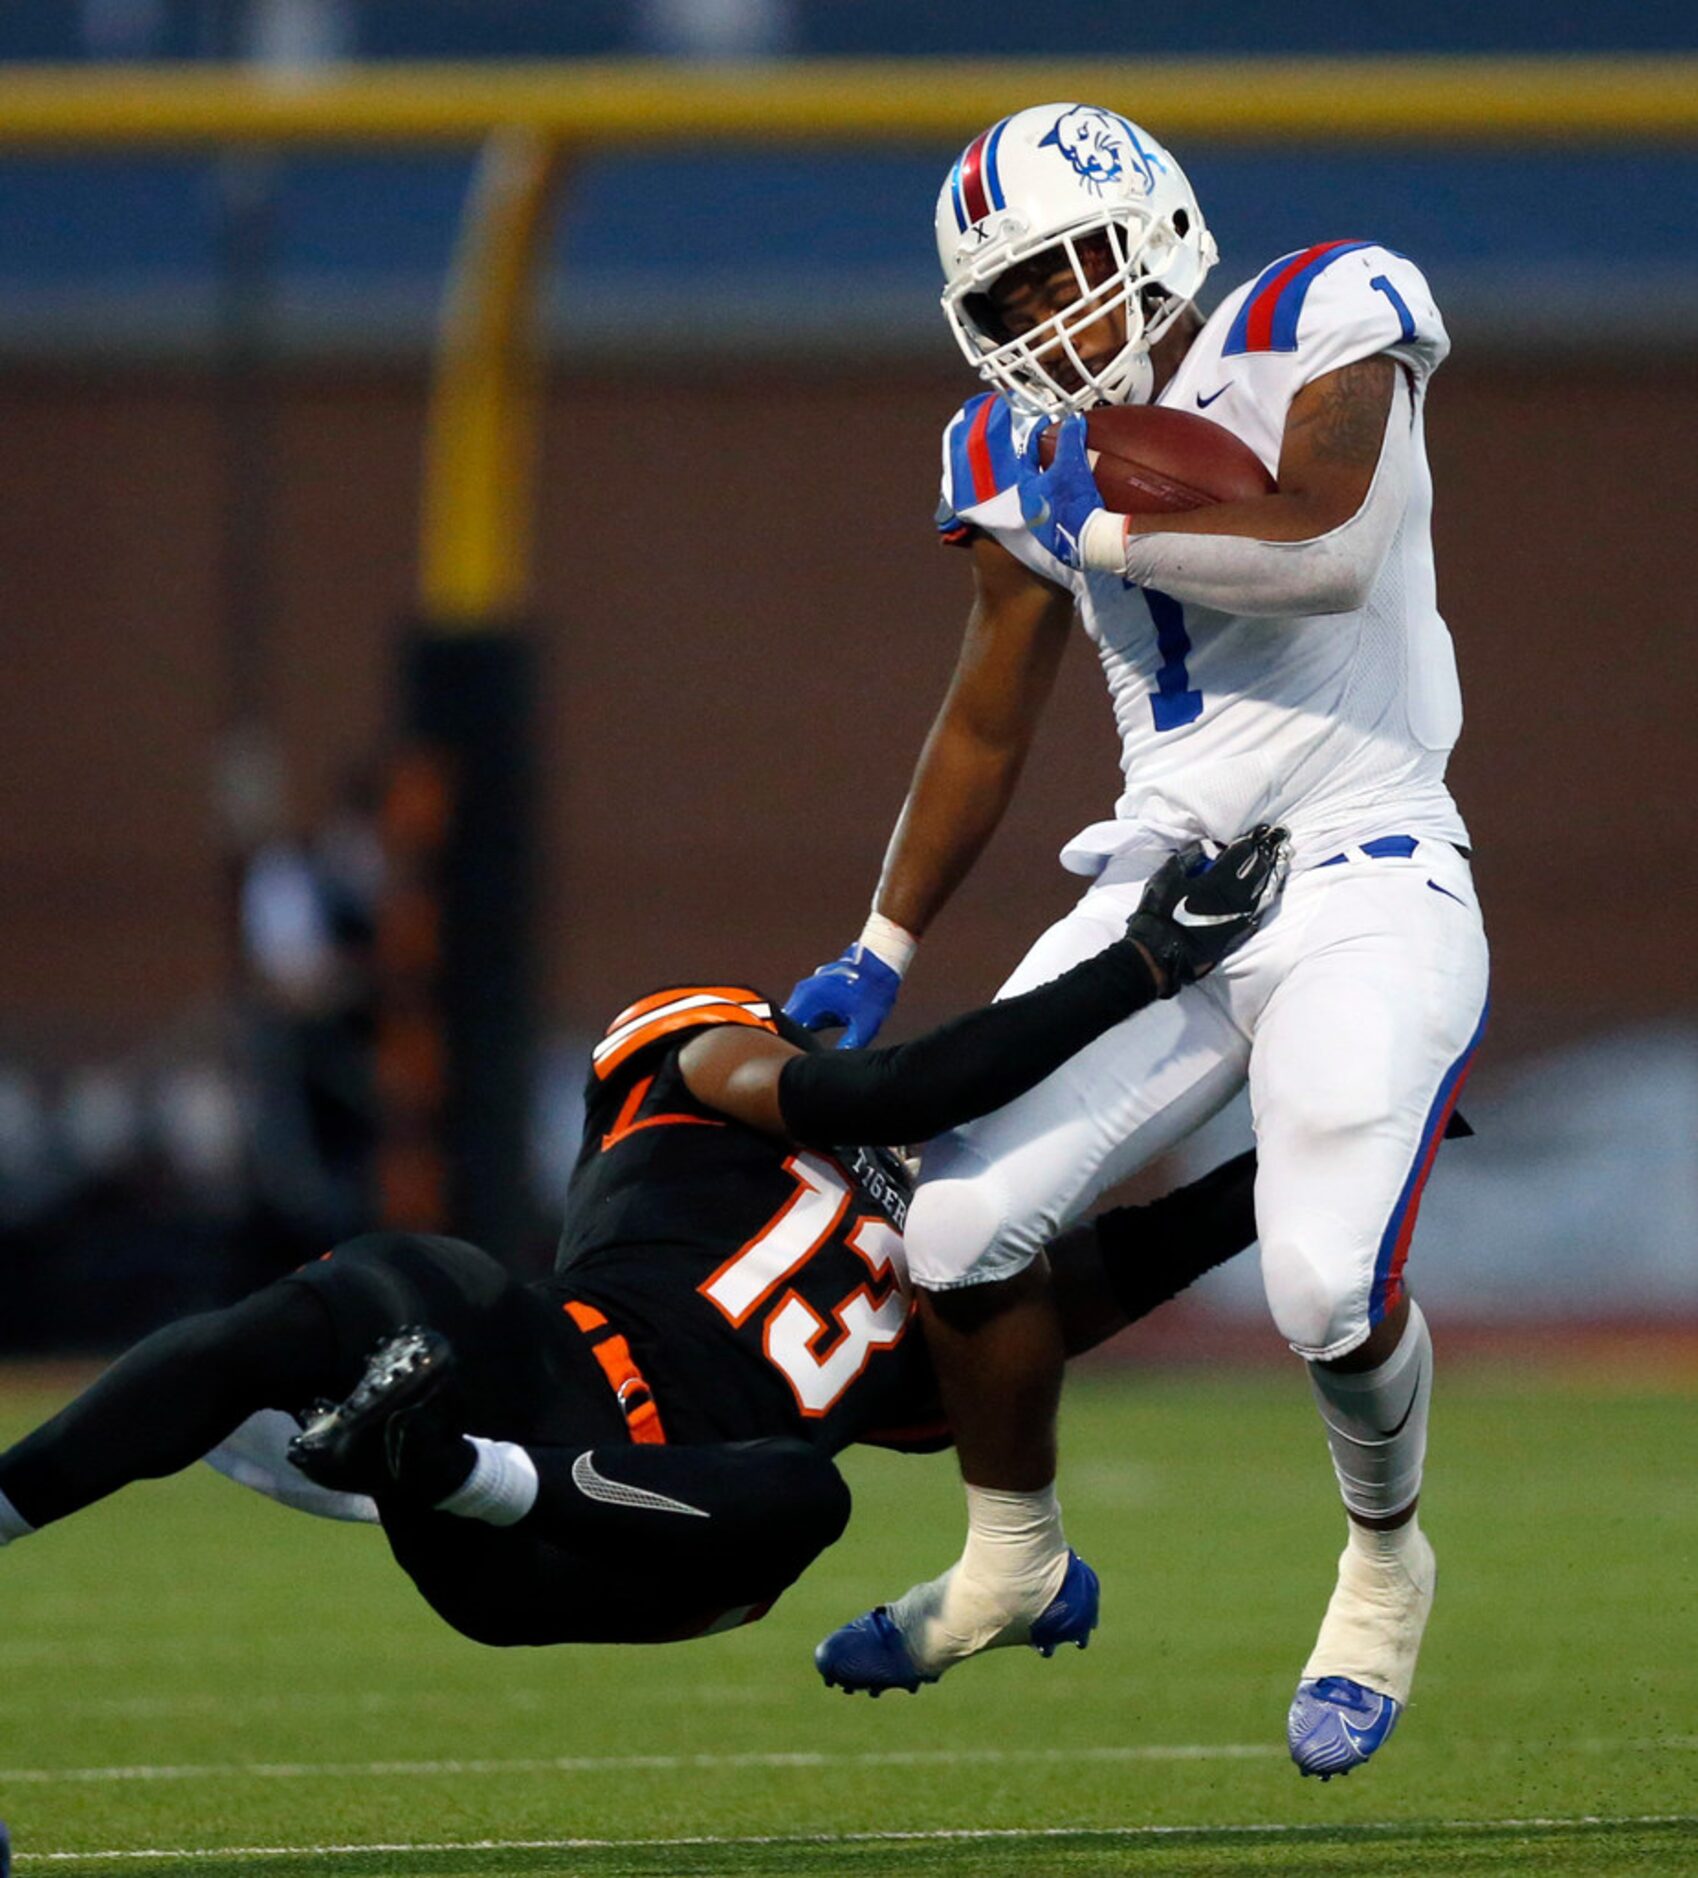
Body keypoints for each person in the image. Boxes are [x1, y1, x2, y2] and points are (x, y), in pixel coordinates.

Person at [788, 103, 1489, 1779]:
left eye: (1062, 272)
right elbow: (984, 718)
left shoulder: (1320, 311)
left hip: (1362, 855)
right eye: (1008, 301)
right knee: (948, 1225)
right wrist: (882, 943)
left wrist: (1095, 522)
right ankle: (1012, 1553)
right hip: (1161, 881)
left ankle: (1384, 1561)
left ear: (1151, 227)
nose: (1046, 322)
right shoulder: (1003, 443)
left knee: (1322, 1283)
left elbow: (1319, 546)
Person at [0, 832, 1283, 1649]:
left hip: (639, 1541)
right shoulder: (696, 1052)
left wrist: (1297, 1166)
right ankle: (32, 1502)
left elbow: (1098, 1284)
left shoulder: (957, 1240)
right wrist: (1139, 966)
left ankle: (430, 1457)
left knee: (804, 1493)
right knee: (403, 1273)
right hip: (544, 1377)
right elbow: (878, 1095)